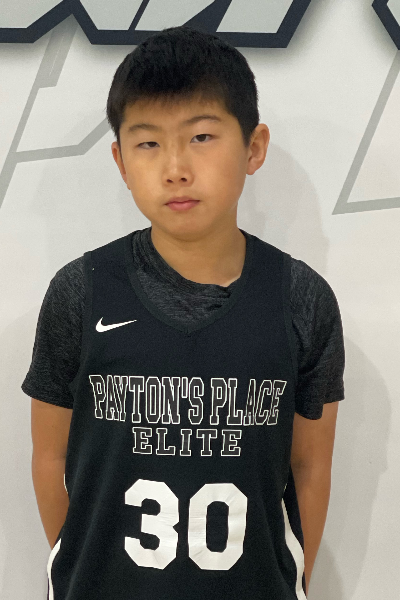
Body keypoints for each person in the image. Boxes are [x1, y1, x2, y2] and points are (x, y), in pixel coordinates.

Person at [22, 25, 345, 600]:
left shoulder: (302, 298)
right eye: (148, 143)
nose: (175, 167)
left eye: (201, 137)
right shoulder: (80, 291)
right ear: (121, 161)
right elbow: (50, 457)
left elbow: (309, 466)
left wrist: (294, 577)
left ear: (254, 147)